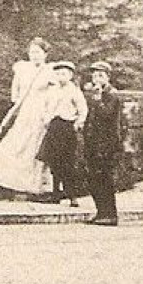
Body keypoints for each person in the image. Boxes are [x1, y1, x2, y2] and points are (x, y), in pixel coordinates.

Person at [0, 39, 56, 195]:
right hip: (24, 111)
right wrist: (18, 104)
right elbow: (15, 93)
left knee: (34, 145)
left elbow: (55, 93)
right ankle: (8, 181)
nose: (34, 56)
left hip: (40, 111)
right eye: (32, 52)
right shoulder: (22, 69)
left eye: (38, 52)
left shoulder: (50, 71)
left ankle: (34, 185)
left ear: (45, 54)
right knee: (15, 143)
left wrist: (48, 110)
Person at [37, 61, 88, 204]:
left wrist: (78, 122)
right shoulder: (52, 91)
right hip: (54, 127)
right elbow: (45, 107)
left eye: (64, 74)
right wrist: (46, 119)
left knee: (68, 162)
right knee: (54, 162)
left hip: (67, 128)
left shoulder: (74, 91)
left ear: (70, 75)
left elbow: (83, 110)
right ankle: (55, 194)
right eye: (58, 73)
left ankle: (72, 195)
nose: (60, 76)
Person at [81, 61, 125, 226]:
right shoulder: (95, 94)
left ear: (107, 77)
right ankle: (101, 212)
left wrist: (98, 99)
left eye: (100, 75)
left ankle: (110, 215)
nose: (96, 78)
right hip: (94, 142)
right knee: (94, 179)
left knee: (104, 179)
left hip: (106, 143)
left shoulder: (111, 94)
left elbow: (106, 115)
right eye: (94, 75)